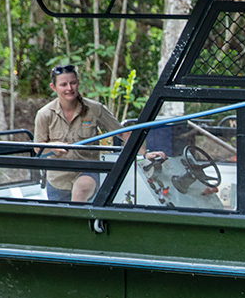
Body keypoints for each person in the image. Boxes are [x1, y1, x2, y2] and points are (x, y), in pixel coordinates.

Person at [35, 64, 165, 202]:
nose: (69, 88)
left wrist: (145, 153)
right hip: (57, 180)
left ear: (78, 83)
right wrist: (52, 146)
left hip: (88, 171)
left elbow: (123, 133)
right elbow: (38, 147)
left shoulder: (94, 109)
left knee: (81, 190)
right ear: (53, 87)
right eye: (63, 85)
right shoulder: (45, 114)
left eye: (73, 83)